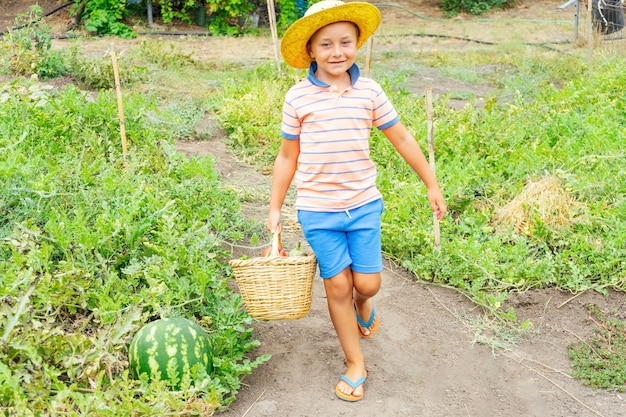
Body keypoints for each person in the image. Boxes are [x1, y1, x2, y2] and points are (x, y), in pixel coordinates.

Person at [267, 0, 447, 402]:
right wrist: (275, 208)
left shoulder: (369, 91)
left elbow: (401, 138)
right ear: (310, 51)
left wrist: (431, 184)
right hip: (317, 211)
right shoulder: (297, 99)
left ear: (357, 44)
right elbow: (286, 156)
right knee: (337, 286)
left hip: (363, 205)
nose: (337, 52)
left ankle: (364, 304)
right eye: (326, 44)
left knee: (366, 283)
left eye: (345, 42)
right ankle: (355, 364)